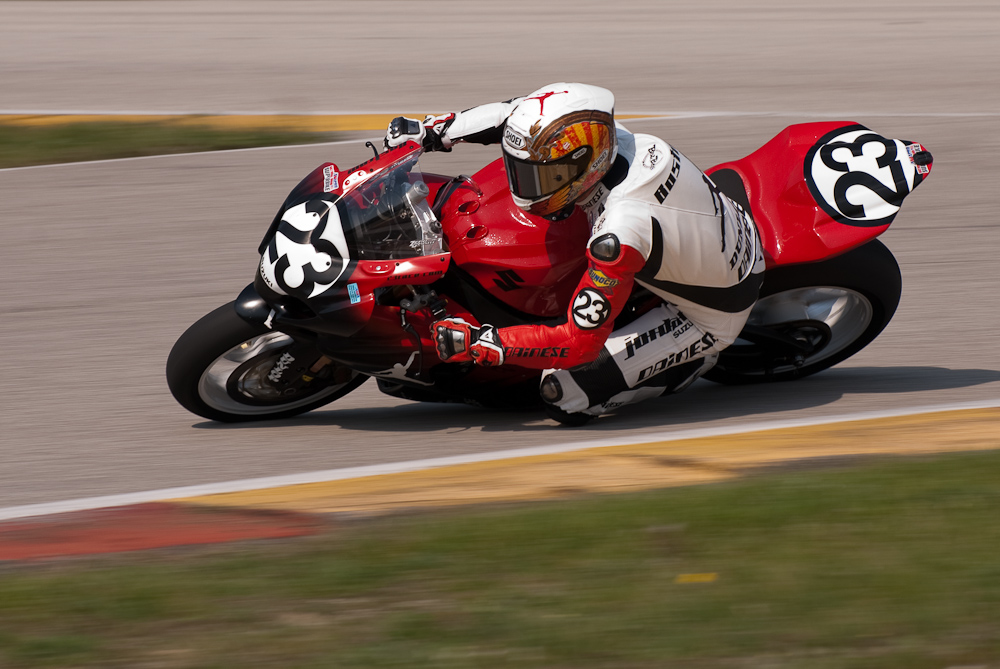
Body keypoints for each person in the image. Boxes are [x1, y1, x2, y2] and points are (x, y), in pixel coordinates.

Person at [384, 83, 764, 424]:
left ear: (588, 166)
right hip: (709, 228)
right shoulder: (611, 137)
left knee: (563, 394)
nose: (525, 189)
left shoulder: (619, 232)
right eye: (520, 172)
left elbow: (579, 343)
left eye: (541, 178)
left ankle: (692, 362)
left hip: (710, 309)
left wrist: (484, 343)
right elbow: (511, 115)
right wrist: (433, 130)